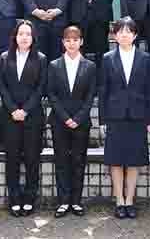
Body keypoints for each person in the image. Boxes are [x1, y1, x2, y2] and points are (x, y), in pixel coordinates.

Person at [99, 17, 150, 219]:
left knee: (133, 160)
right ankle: (119, 201)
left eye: (128, 31)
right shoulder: (107, 58)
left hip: (138, 116)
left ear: (135, 35)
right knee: (115, 160)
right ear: (114, 35)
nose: (124, 35)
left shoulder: (145, 58)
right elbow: (103, 90)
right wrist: (102, 120)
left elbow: (149, 90)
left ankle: (130, 200)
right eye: (120, 31)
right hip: (115, 115)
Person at [0, 20, 48, 217]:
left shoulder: (41, 59)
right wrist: (13, 109)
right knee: (12, 159)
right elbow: (1, 86)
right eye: (21, 34)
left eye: (28, 34)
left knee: (31, 159)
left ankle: (29, 197)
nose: (24, 37)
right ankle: (14, 198)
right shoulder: (4, 57)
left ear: (33, 37)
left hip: (32, 116)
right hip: (9, 116)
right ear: (15, 37)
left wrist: (25, 110)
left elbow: (41, 87)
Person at [47, 25, 97, 218]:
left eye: (75, 40)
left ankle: (76, 201)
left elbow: (90, 95)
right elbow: (51, 94)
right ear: (63, 42)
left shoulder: (90, 66)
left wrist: (78, 118)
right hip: (59, 121)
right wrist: (65, 117)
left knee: (78, 161)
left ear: (81, 42)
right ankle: (63, 201)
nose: (71, 43)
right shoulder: (54, 65)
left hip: (81, 122)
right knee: (61, 161)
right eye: (68, 40)